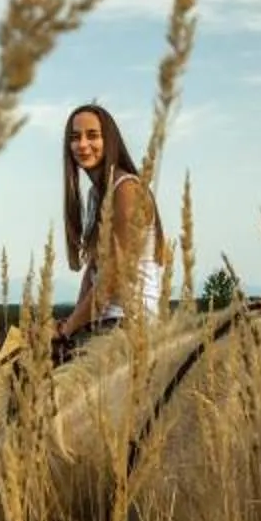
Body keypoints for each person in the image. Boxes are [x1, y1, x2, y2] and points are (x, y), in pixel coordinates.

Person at [52, 103, 167, 360]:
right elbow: (93, 272)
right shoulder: (97, 195)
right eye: (75, 137)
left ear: (109, 140)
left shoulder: (126, 189)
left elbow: (112, 278)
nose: (82, 144)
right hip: (105, 320)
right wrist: (70, 323)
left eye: (92, 135)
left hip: (127, 324)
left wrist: (67, 330)